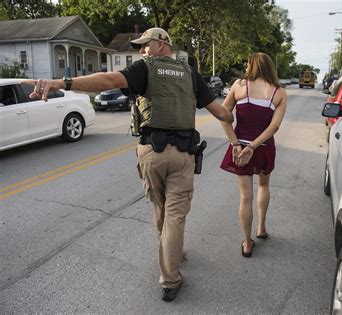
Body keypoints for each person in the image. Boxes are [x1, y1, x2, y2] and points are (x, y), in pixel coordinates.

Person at [22, 27, 233, 302]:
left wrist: (63, 83)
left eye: (145, 46)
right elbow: (220, 112)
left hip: (151, 153)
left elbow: (108, 79)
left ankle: (171, 252)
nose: (142, 51)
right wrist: (237, 108)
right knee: (176, 214)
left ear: (161, 44)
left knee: (161, 207)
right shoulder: (190, 73)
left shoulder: (146, 69)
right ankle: (170, 278)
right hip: (182, 154)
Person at [219, 52, 287, 257]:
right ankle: (261, 228)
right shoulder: (278, 92)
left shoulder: (239, 86)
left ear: (252, 66)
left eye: (248, 64)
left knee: (245, 196)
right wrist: (254, 146)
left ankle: (247, 243)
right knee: (264, 185)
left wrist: (236, 144)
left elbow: (223, 115)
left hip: (240, 147)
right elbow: (274, 126)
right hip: (263, 147)